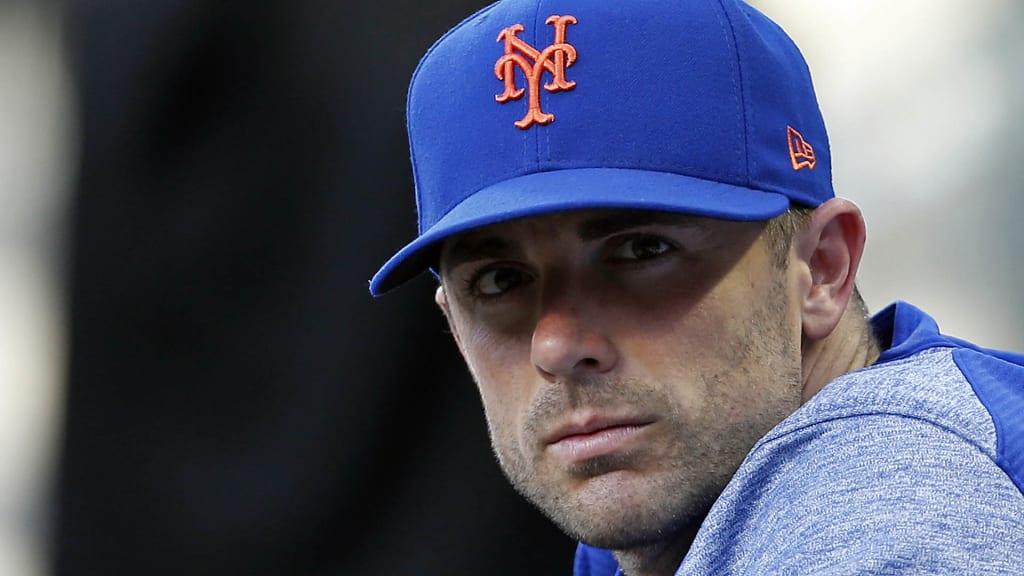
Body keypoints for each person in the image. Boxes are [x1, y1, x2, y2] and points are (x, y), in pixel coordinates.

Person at [369, 0, 1024, 574]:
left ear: (821, 269)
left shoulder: (881, 523)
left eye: (642, 249)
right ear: (453, 322)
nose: (556, 344)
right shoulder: (685, 511)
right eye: (500, 279)